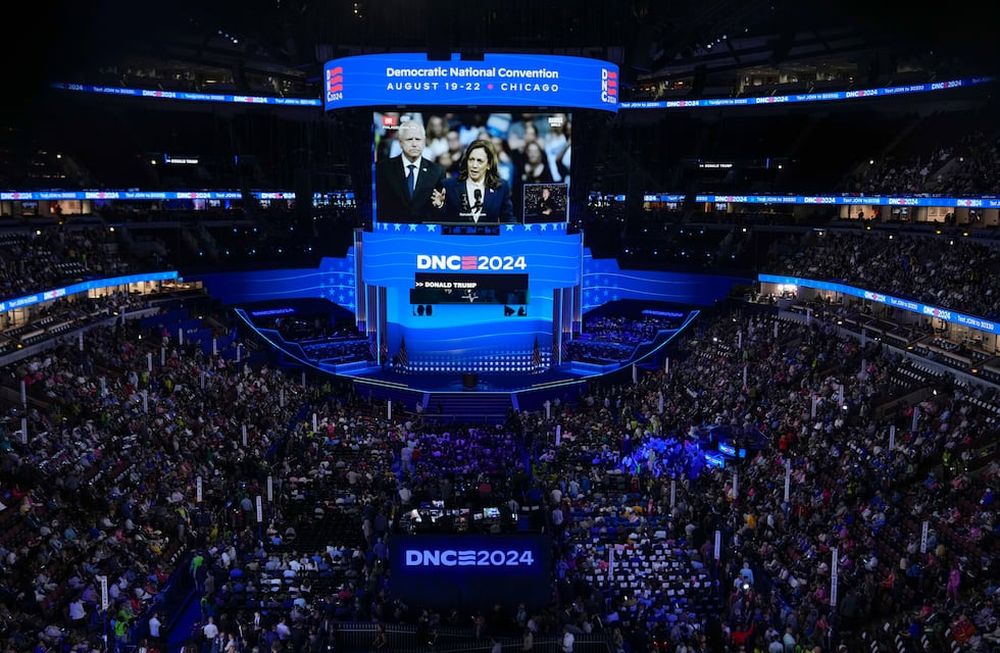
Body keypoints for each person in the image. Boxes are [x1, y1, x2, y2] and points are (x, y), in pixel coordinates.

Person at [376, 120, 447, 223]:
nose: (414, 144)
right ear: (400, 142)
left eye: (418, 139)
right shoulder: (383, 168)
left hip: (424, 234)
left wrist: (440, 205)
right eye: (409, 139)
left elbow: (442, 213)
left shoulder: (437, 171)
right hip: (392, 233)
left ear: (424, 142)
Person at [443, 139, 515, 224]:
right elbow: (441, 219)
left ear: (489, 165)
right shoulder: (449, 185)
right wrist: (440, 206)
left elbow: (508, 220)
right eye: (471, 159)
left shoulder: (501, 187)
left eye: (479, 161)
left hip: (489, 237)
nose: (474, 165)